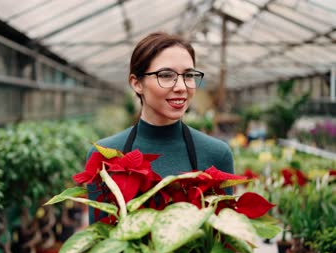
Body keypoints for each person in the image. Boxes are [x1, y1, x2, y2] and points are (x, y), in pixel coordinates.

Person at [86, 32, 234, 223]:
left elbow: (227, 241)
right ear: (137, 83)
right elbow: (98, 244)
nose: (181, 86)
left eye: (188, 75)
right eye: (166, 75)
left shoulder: (217, 154)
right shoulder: (104, 156)